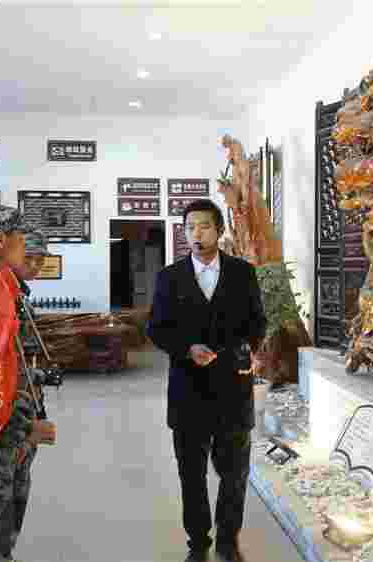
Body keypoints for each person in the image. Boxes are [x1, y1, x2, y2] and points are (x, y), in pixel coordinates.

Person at [147, 199, 266, 562]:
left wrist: (247, 349)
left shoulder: (243, 273)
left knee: (234, 474)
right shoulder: (169, 277)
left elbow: (257, 323)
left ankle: (228, 542)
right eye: (190, 227)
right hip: (189, 392)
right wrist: (187, 349)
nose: (196, 233)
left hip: (233, 390)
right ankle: (197, 544)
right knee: (192, 475)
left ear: (219, 230)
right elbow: (156, 329)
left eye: (203, 226)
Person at [0, 205, 56, 562]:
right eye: (21, 240)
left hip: (11, 430)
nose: (30, 256)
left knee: (2, 526)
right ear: (0, 240)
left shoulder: (5, 292)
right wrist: (25, 429)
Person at [8, 228, 57, 550]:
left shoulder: (18, 295)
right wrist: (24, 428)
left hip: (26, 405)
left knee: (16, 490)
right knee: (4, 497)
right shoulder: (2, 297)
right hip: (11, 415)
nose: (36, 265)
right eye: (30, 258)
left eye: (41, 259)